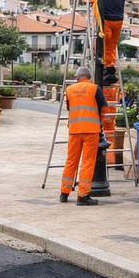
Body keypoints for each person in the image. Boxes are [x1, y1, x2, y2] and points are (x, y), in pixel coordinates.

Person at [85, 0, 138, 83]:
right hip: (119, 21)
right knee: (111, 45)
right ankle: (110, 69)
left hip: (107, 20)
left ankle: (107, 71)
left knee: (105, 45)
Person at [60, 66, 107, 206]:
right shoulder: (94, 88)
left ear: (77, 77)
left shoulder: (69, 90)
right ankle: (83, 195)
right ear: (89, 77)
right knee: (87, 162)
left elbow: (69, 108)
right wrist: (101, 123)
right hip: (91, 131)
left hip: (74, 131)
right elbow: (104, 109)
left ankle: (64, 193)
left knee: (71, 161)